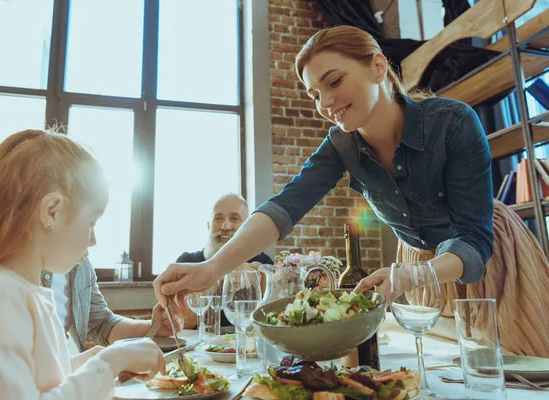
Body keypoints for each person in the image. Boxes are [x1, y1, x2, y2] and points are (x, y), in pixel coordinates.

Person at [153, 26, 549, 357]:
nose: (325, 102)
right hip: (415, 265)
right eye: (313, 94)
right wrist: (210, 269)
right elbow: (283, 208)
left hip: (488, 254)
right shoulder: (341, 145)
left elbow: (475, 238)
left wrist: (416, 275)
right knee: (445, 368)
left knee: (517, 369)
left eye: (335, 82)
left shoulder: (454, 122)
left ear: (378, 66)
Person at [0, 129, 166, 399]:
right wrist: (111, 363)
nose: (94, 240)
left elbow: (37, 379)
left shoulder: (20, 290)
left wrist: (96, 360)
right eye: (91, 223)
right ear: (52, 210)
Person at [41, 257, 181, 354]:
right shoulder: (23, 269)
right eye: (88, 224)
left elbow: (102, 324)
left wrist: (154, 327)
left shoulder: (83, 264)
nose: (92, 241)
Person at [176, 193, 273, 328]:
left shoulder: (263, 263)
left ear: (247, 227)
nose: (225, 226)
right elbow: (183, 323)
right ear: (208, 225)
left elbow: (271, 320)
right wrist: (221, 274)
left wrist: (262, 282)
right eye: (218, 219)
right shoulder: (187, 262)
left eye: (234, 218)